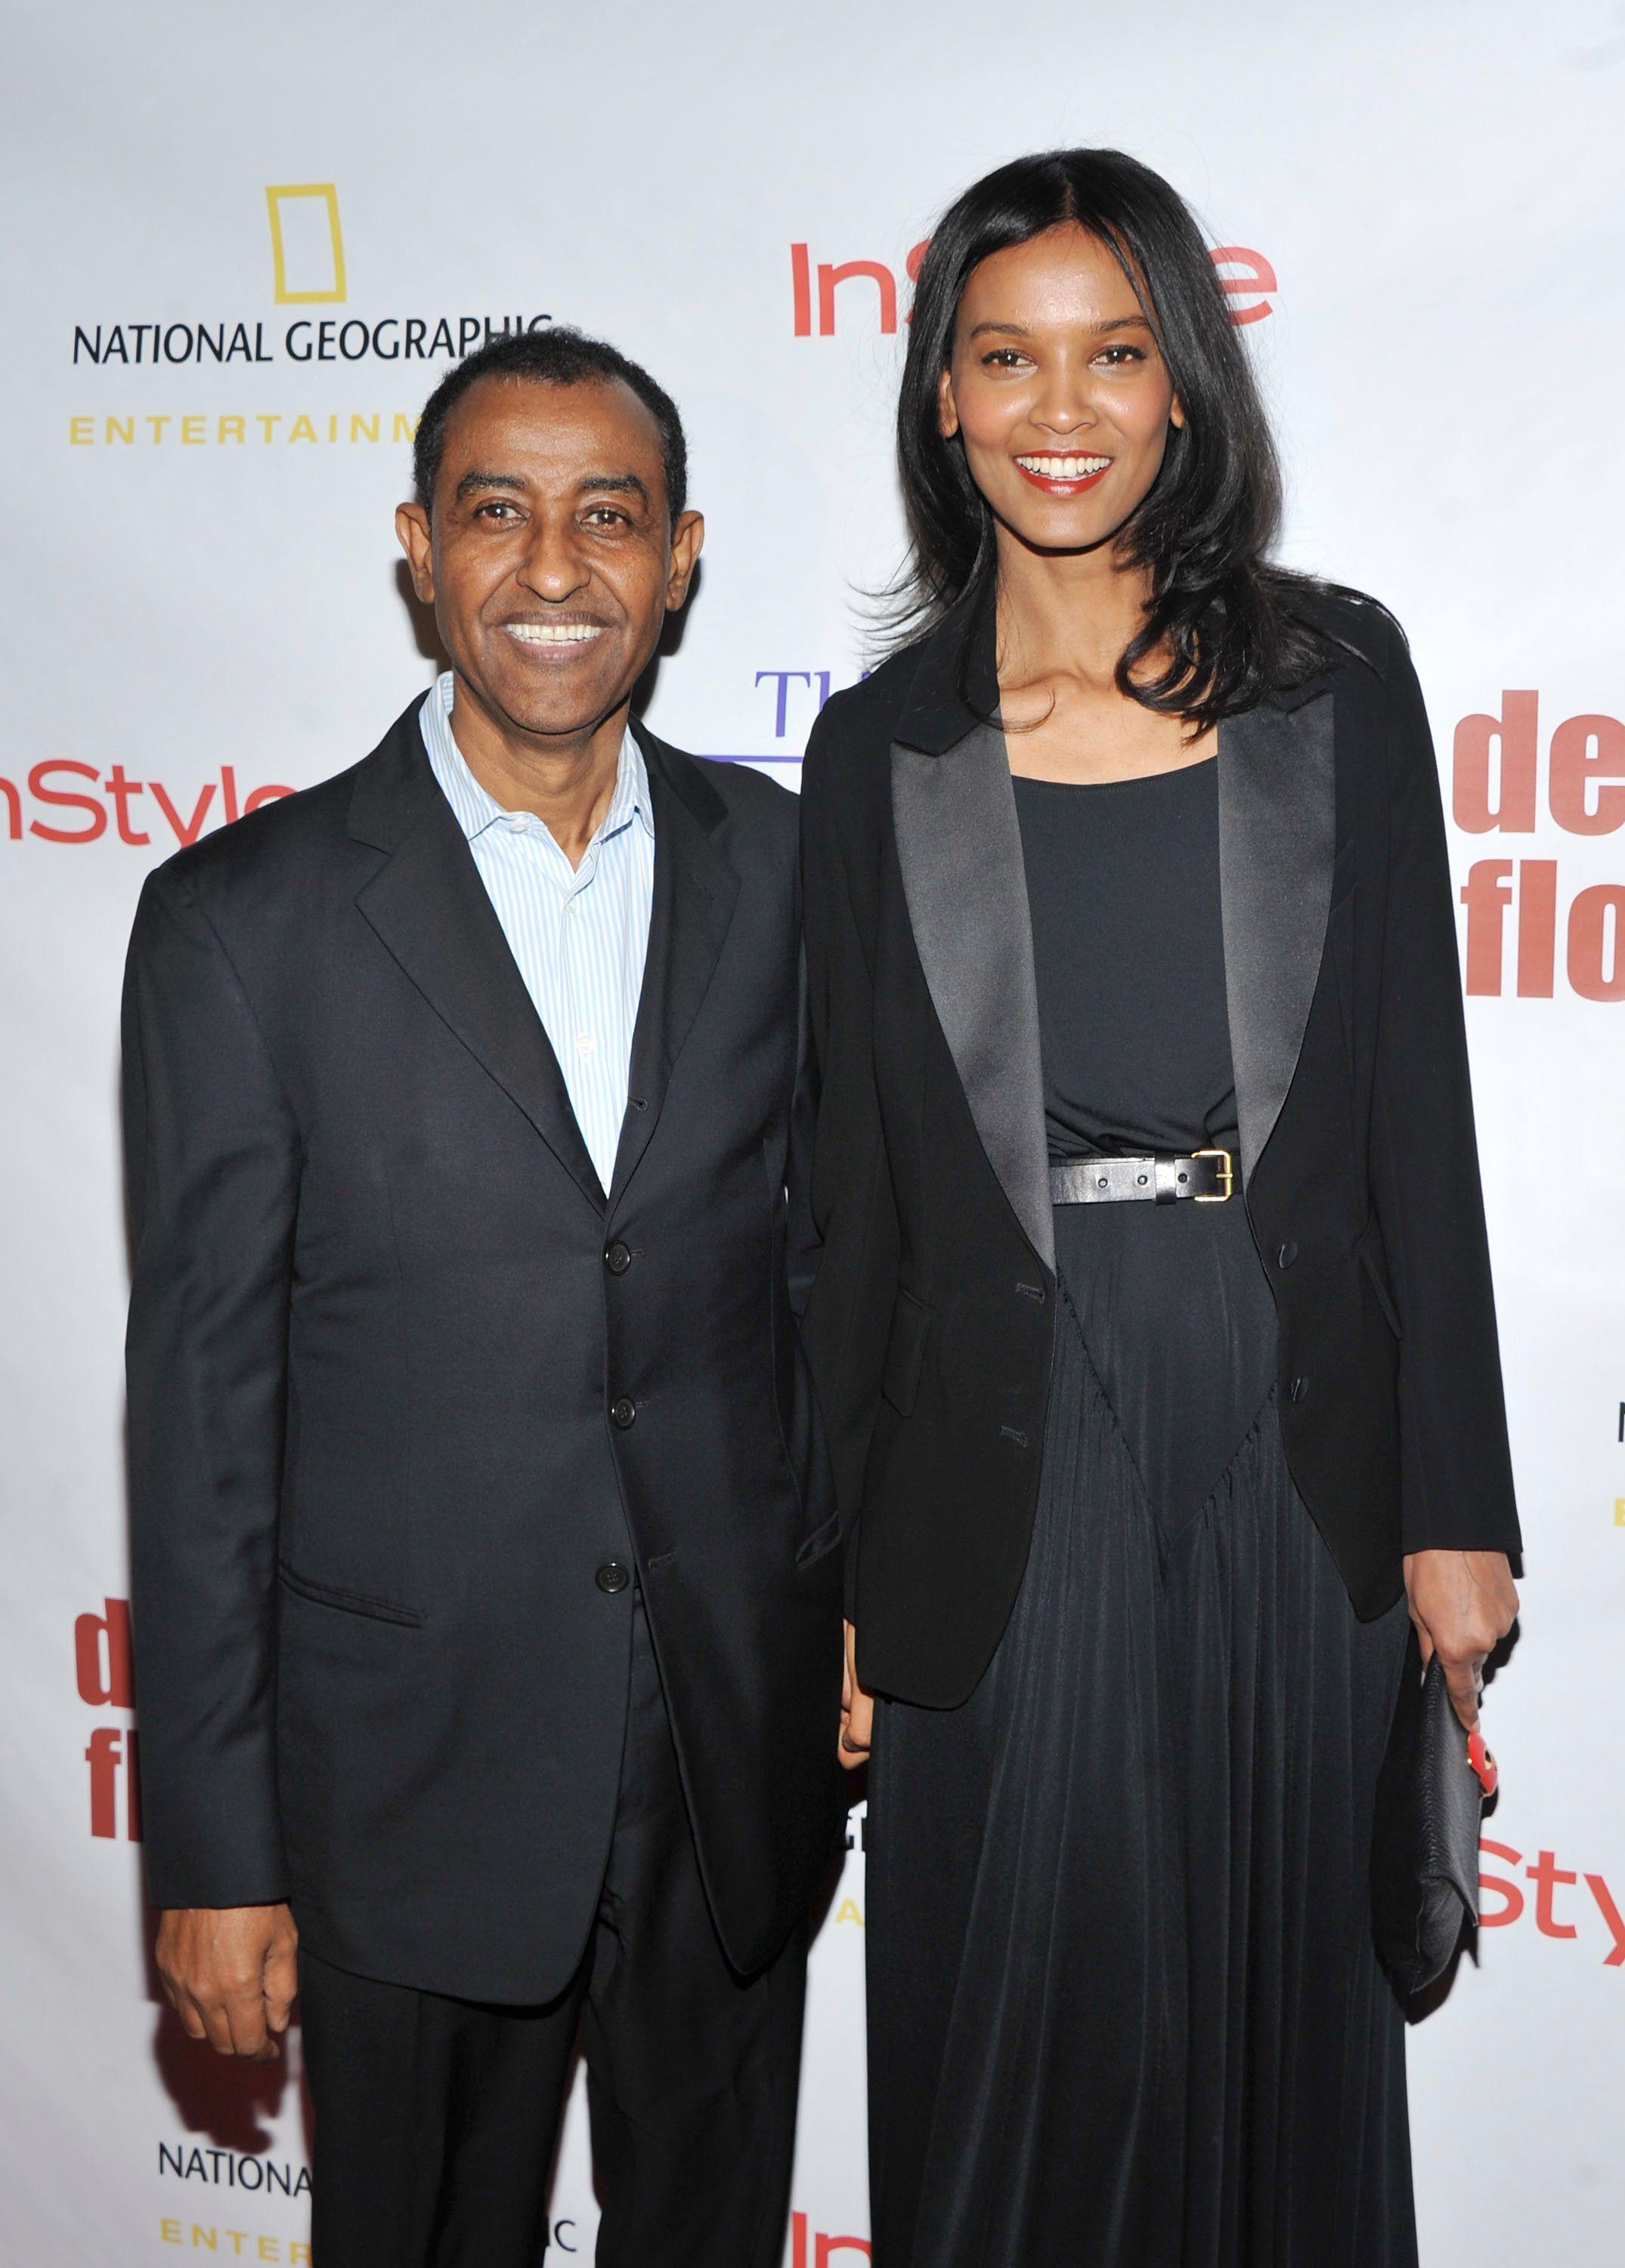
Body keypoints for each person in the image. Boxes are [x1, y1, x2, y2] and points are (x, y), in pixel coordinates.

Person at [798, 149, 1521, 2267]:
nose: (1061, 408)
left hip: (1287, 1427)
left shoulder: (1332, 684)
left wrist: (1453, 1504)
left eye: (1112, 353)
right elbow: (844, 1209)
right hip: (995, 1451)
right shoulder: (877, 753)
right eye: (1005, 357)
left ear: (1180, 381)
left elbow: (1415, 1118)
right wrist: (837, 1584)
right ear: (942, 394)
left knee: (1279, 2040)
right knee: (1009, 2062)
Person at [123, 325, 843, 2267]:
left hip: (728, 1756)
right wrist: (214, 1852)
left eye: (607, 516)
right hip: (407, 1779)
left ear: (679, 557)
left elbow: (826, 1277)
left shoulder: (792, 866)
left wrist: (860, 1602)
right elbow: (202, 1424)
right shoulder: (241, 921)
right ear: (418, 548)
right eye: (496, 511)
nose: (552, 568)